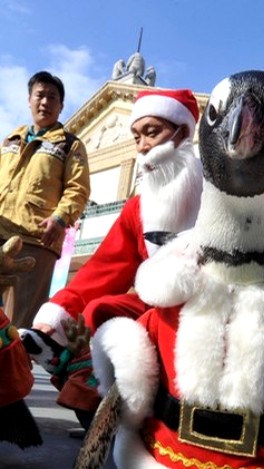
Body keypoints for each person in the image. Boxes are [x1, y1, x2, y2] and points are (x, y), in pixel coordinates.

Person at [20, 87, 203, 426]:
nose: (143, 146)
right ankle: (90, 397)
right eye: (136, 137)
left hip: (210, 307)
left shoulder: (217, 197)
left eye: (152, 132)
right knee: (98, 311)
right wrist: (55, 318)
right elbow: (104, 269)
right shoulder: (138, 208)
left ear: (183, 132)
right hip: (155, 306)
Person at [0, 71, 90, 328]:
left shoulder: (69, 145)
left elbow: (78, 189)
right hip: (0, 232)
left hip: (35, 242)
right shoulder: (10, 140)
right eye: (40, 95)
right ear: (29, 99)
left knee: (18, 324)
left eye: (53, 98)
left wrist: (61, 219)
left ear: (61, 107)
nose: (45, 102)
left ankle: (15, 369)